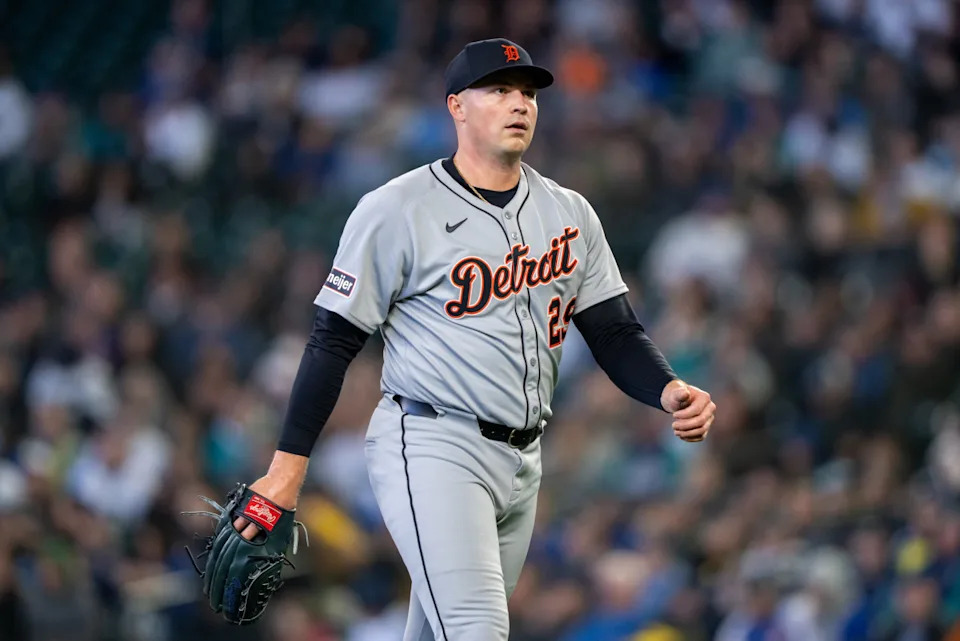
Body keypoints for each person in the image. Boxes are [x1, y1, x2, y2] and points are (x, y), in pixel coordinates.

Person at [232, 38, 716, 640]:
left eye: (528, 92)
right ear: (456, 106)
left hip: (523, 457)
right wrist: (285, 471)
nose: (519, 104)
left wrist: (667, 388)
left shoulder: (569, 212)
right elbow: (332, 341)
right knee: (477, 629)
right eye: (499, 90)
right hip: (433, 443)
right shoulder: (396, 209)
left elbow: (614, 329)